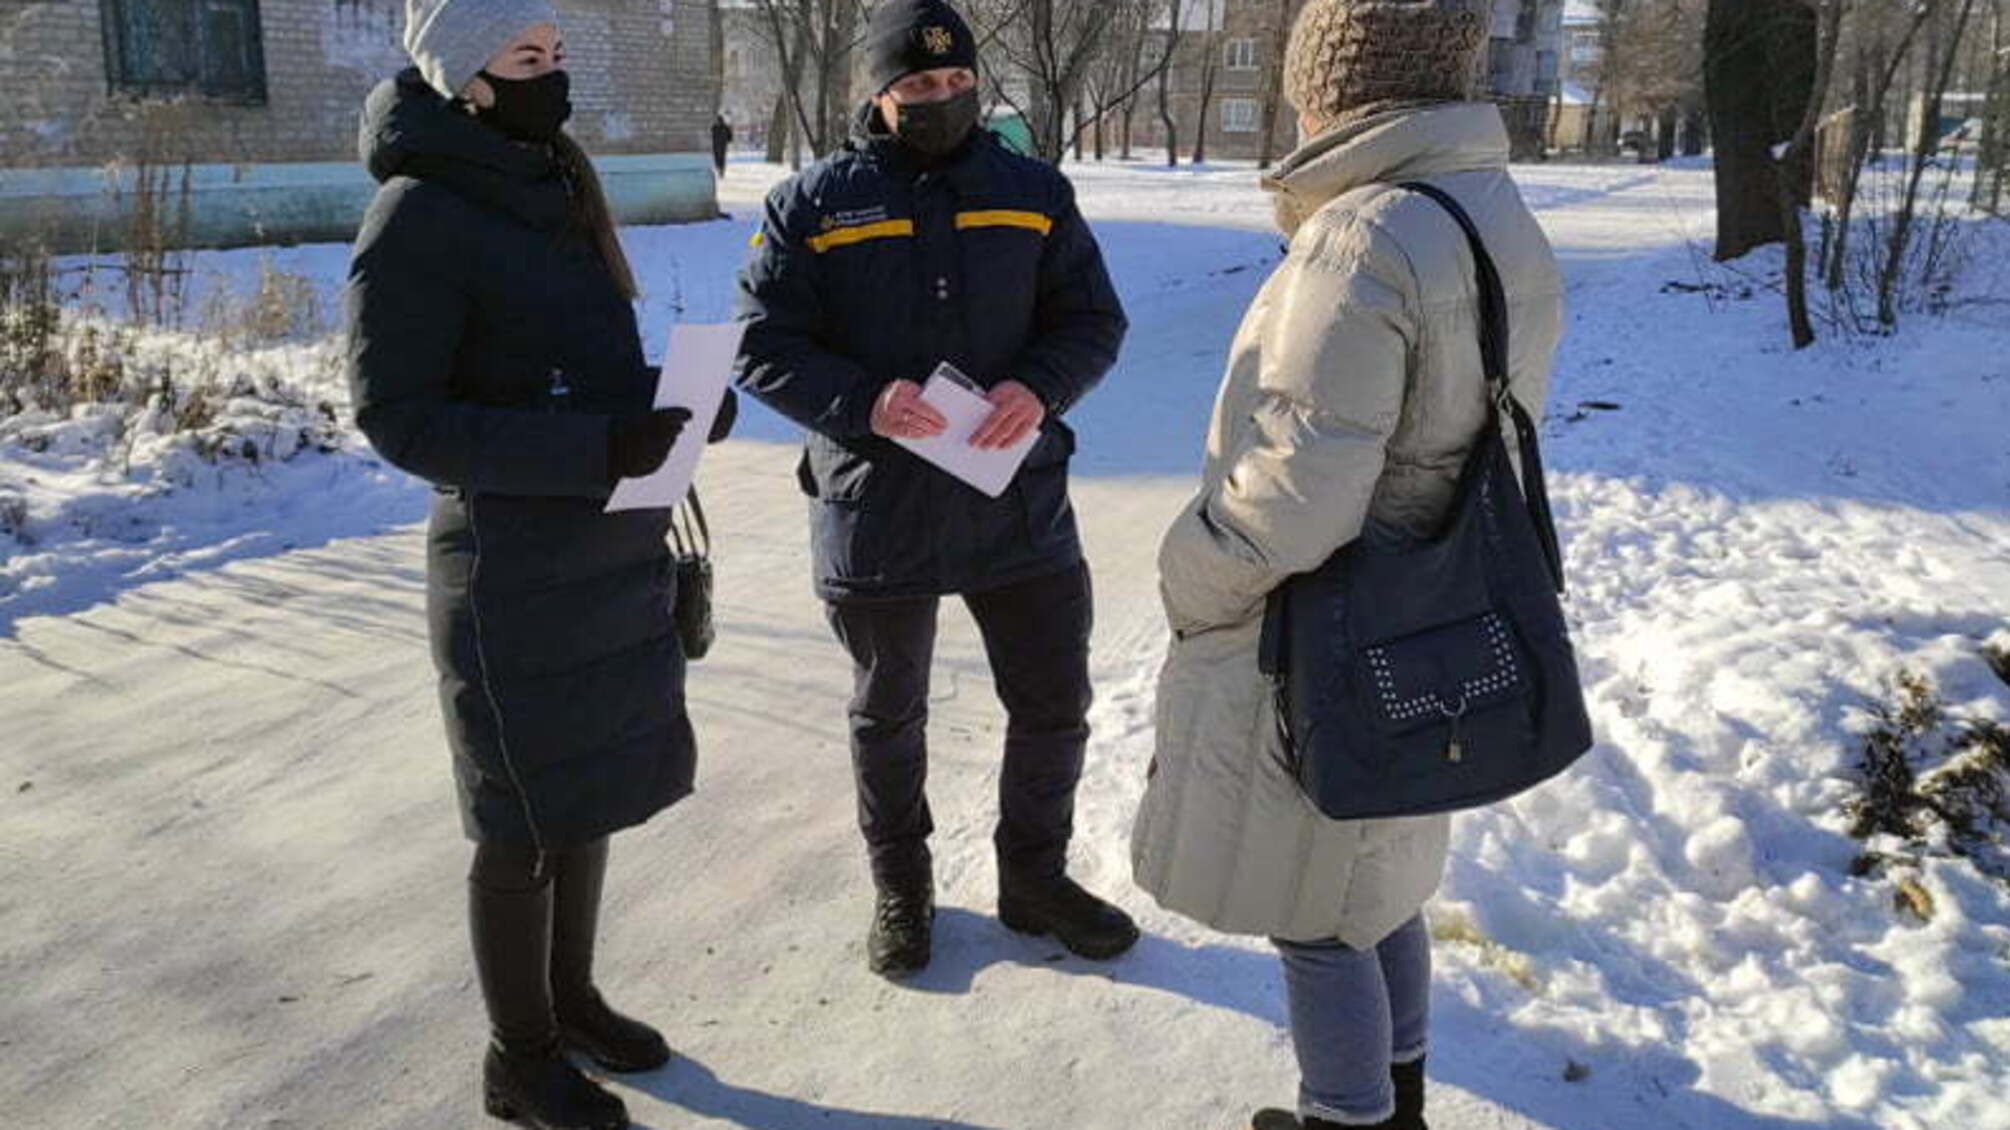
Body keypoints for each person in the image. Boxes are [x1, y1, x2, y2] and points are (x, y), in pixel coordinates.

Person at [1128, 1, 1566, 1128]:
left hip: (1326, 625)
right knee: (1376, 881)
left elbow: (1299, 491)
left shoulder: (1363, 232)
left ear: (1339, 85)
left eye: (1302, 77)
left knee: (1314, 911)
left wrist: (1195, 569)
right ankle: (1398, 1099)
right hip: (1439, 605)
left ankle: (1347, 1115)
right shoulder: (1485, 205)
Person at [346, 3, 732, 1127]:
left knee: (584, 796)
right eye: (526, 59)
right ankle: (519, 1058)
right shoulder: (417, 213)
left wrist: (678, 406)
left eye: (556, 56)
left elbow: (565, 367)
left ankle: (570, 1000)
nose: (549, 77)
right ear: (463, 77)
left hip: (604, 552)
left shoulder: (550, 182)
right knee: (517, 819)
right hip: (510, 570)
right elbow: (403, 418)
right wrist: (598, 447)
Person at [734, 0, 1135, 980]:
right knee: (888, 713)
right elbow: (759, 347)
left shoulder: (1034, 191)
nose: (943, 100)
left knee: (1053, 702)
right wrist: (866, 400)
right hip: (879, 506)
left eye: (958, 84)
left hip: (1016, 499)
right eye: (919, 87)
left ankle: (1033, 877)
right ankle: (902, 887)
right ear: (877, 93)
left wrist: (1035, 388)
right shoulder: (813, 204)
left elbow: (1092, 321)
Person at [711, 112, 734, 177]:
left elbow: (711, 135)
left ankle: (719, 168)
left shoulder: (715, 127)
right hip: (722, 144)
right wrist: (729, 140)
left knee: (718, 157)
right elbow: (730, 136)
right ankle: (720, 169)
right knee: (721, 158)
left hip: (717, 144)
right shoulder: (725, 127)